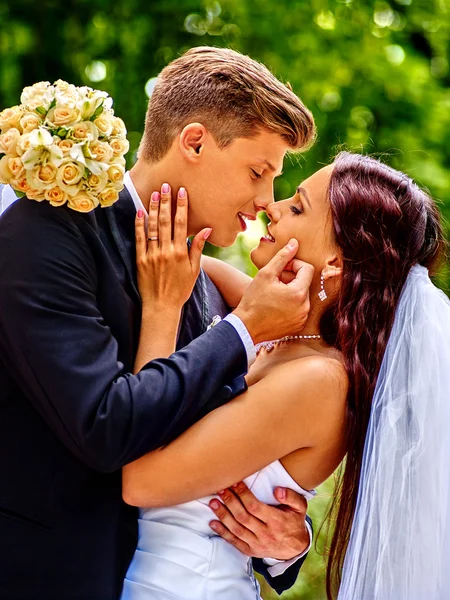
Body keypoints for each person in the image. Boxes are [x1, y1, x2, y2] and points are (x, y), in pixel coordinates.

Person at [0, 48, 316, 600]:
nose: (267, 200)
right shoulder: (47, 234)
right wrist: (243, 329)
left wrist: (284, 542)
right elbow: (104, 427)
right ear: (193, 142)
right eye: (257, 171)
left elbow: (221, 455)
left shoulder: (209, 278)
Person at [121, 151, 447, 600]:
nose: (270, 208)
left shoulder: (322, 381)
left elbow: (142, 481)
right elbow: (190, 269)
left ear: (335, 261)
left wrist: (161, 310)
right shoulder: (286, 332)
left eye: (296, 207)